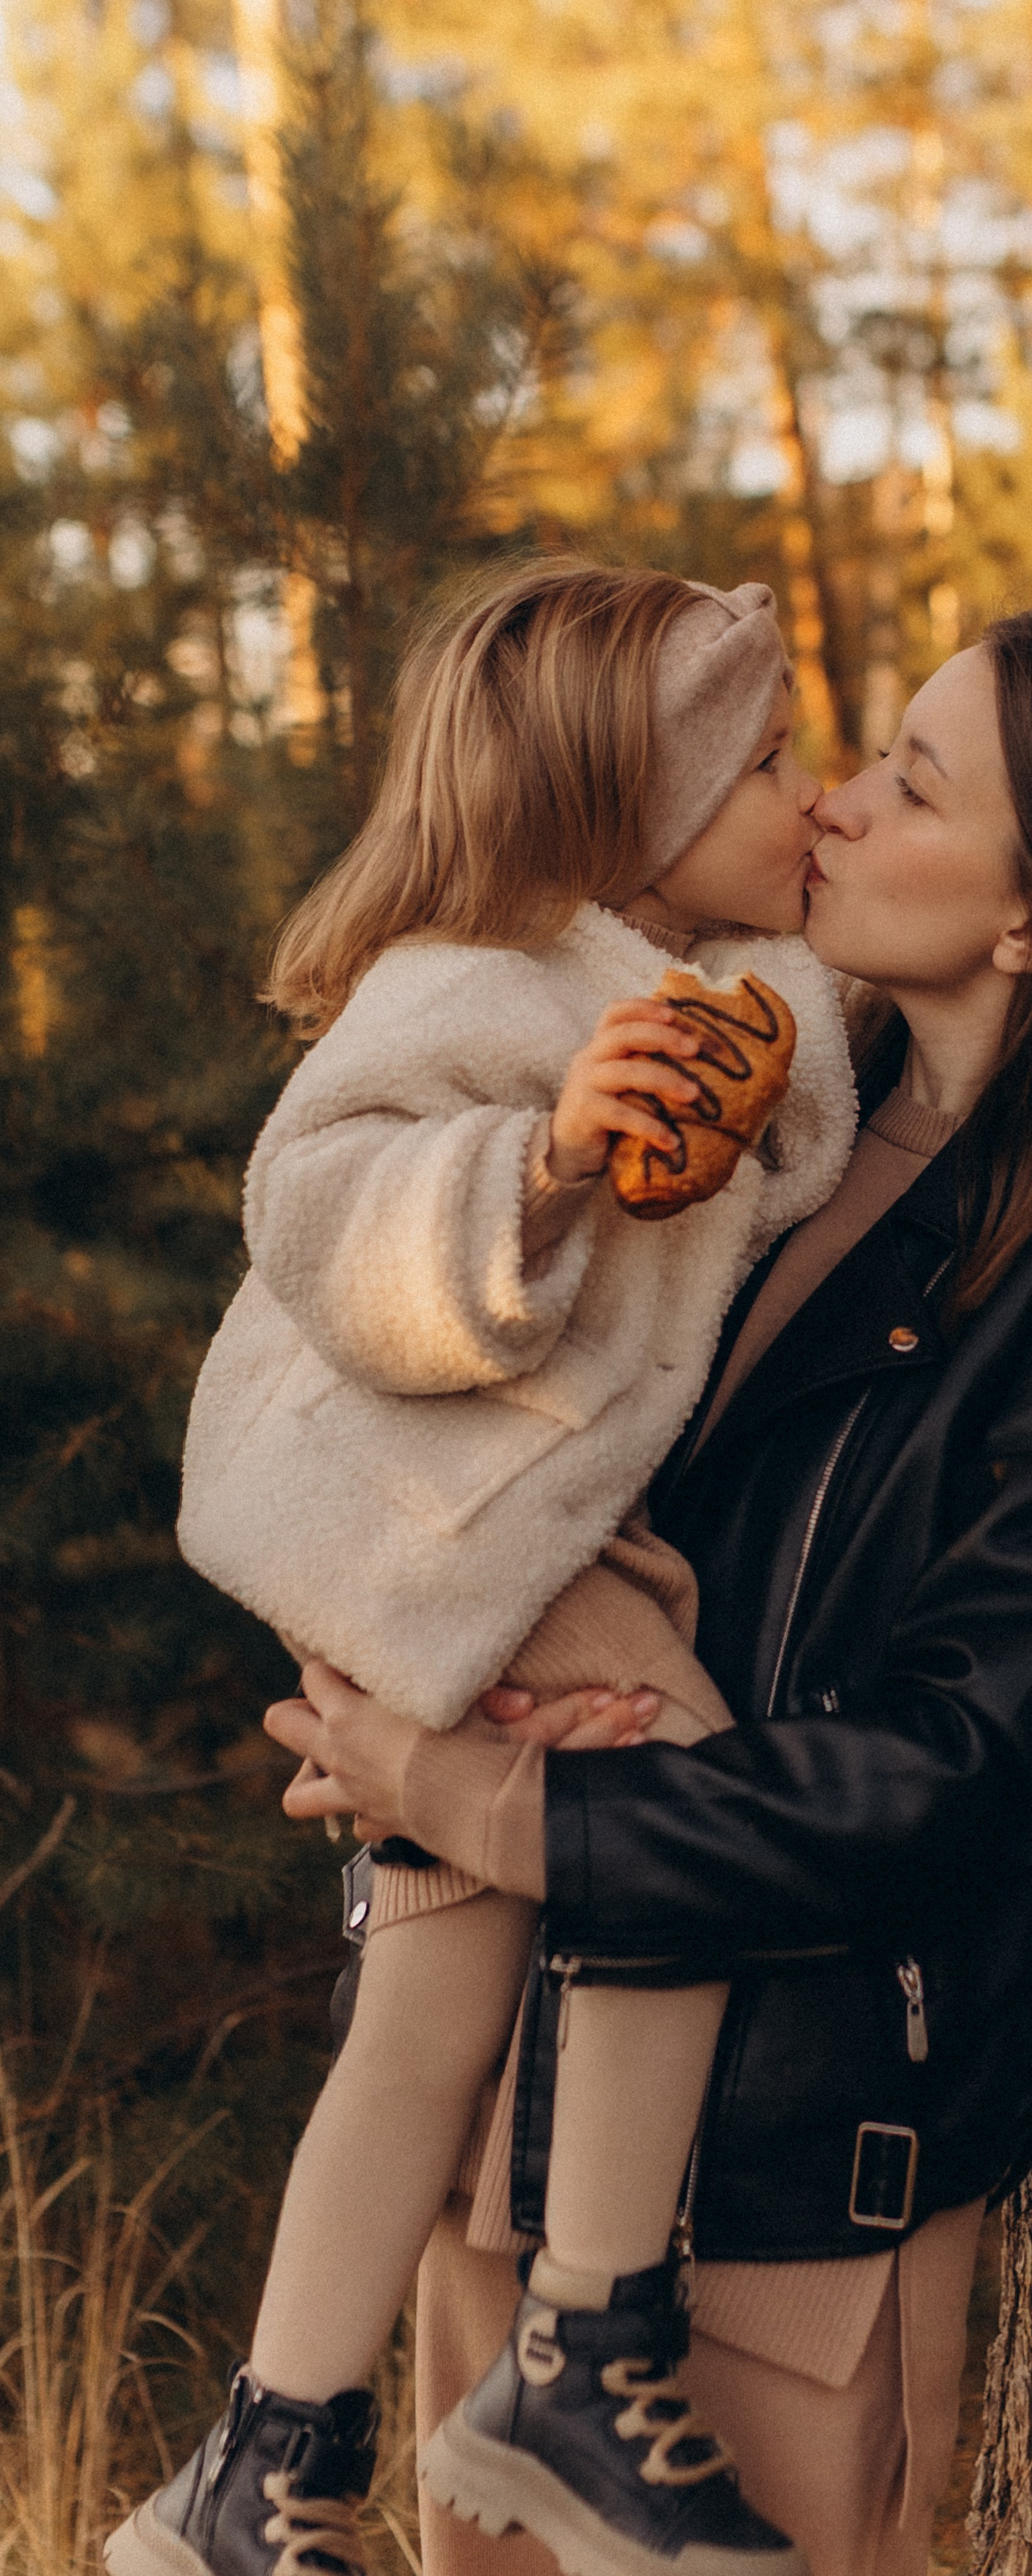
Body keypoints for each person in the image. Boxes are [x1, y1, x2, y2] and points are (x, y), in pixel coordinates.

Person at [264, 607, 1032, 2576]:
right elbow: (490, 1461)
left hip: (785, 2191)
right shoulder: (755, 1127)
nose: (834, 802)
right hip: (509, 2132)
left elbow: (956, 1771)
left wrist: (489, 1803)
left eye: (915, 783)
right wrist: (394, 1684)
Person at [106, 561, 859, 2576]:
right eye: (773, 764)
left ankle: (264, 2469)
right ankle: (584, 2350)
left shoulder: (726, 999)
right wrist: (529, 1165)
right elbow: (318, 1200)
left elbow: (781, 1151)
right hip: (410, 1533)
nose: (817, 793)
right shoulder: (480, 985)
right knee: (681, 1802)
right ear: (632, 817)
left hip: (493, 1554)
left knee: (427, 2017)